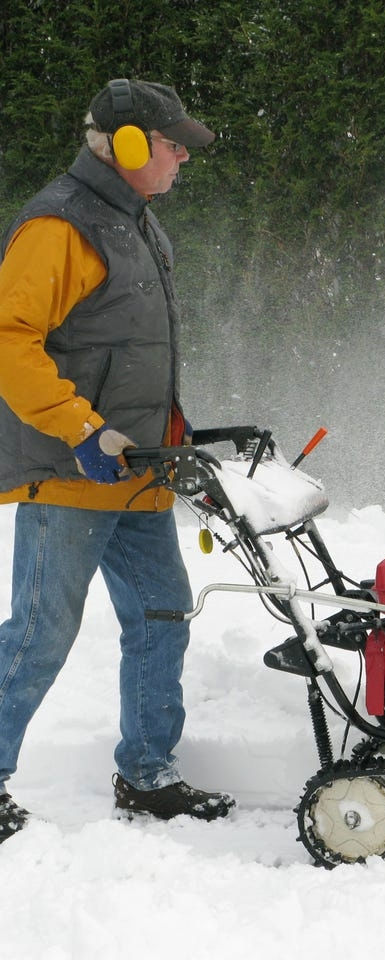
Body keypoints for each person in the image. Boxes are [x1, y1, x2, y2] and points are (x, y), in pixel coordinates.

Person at [0, 79, 234, 843]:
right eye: (173, 145)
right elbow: (9, 340)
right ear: (127, 146)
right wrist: (80, 429)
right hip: (72, 471)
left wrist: (171, 430)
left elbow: (128, 351)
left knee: (163, 615)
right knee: (39, 634)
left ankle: (147, 772)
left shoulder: (137, 222)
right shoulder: (59, 225)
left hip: (134, 474)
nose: (182, 158)